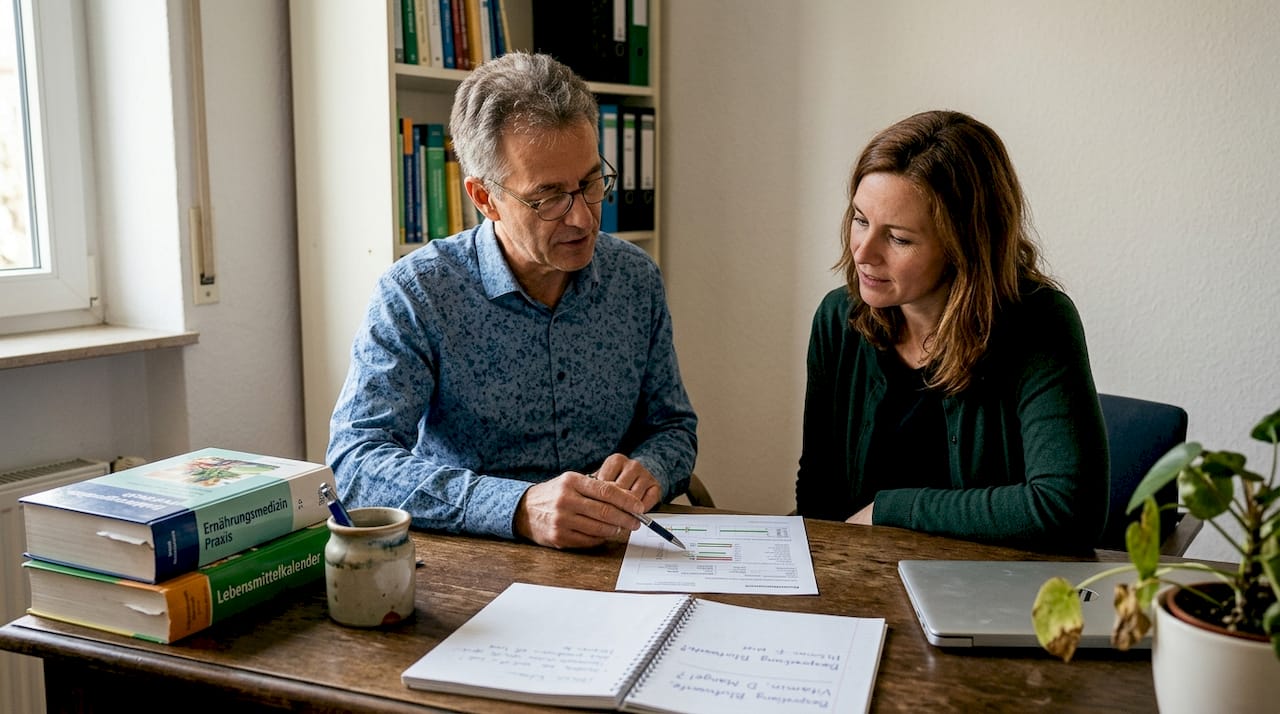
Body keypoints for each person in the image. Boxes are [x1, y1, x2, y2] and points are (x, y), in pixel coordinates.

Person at [327, 52, 697, 550]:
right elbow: (355, 460)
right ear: (483, 197)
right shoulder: (418, 293)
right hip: (475, 559)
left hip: (615, 553)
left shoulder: (635, 279)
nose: (585, 219)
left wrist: (651, 469)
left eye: (590, 183)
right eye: (547, 199)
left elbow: (673, 426)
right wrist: (517, 508)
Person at [795, 109, 1108, 550]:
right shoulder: (839, 320)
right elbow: (819, 496)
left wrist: (891, 510)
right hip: (861, 584)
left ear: (964, 245)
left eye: (899, 238)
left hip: (991, 595)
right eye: (861, 220)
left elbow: (1068, 509)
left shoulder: (1039, 323)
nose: (864, 252)